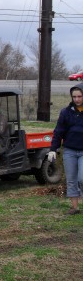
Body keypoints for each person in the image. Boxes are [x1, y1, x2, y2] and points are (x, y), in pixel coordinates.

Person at [47, 82, 83, 215]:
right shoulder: (66, 112)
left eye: (79, 96)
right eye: (74, 97)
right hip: (69, 151)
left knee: (82, 178)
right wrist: (53, 149)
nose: (77, 99)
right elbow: (58, 131)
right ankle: (75, 207)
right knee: (72, 178)